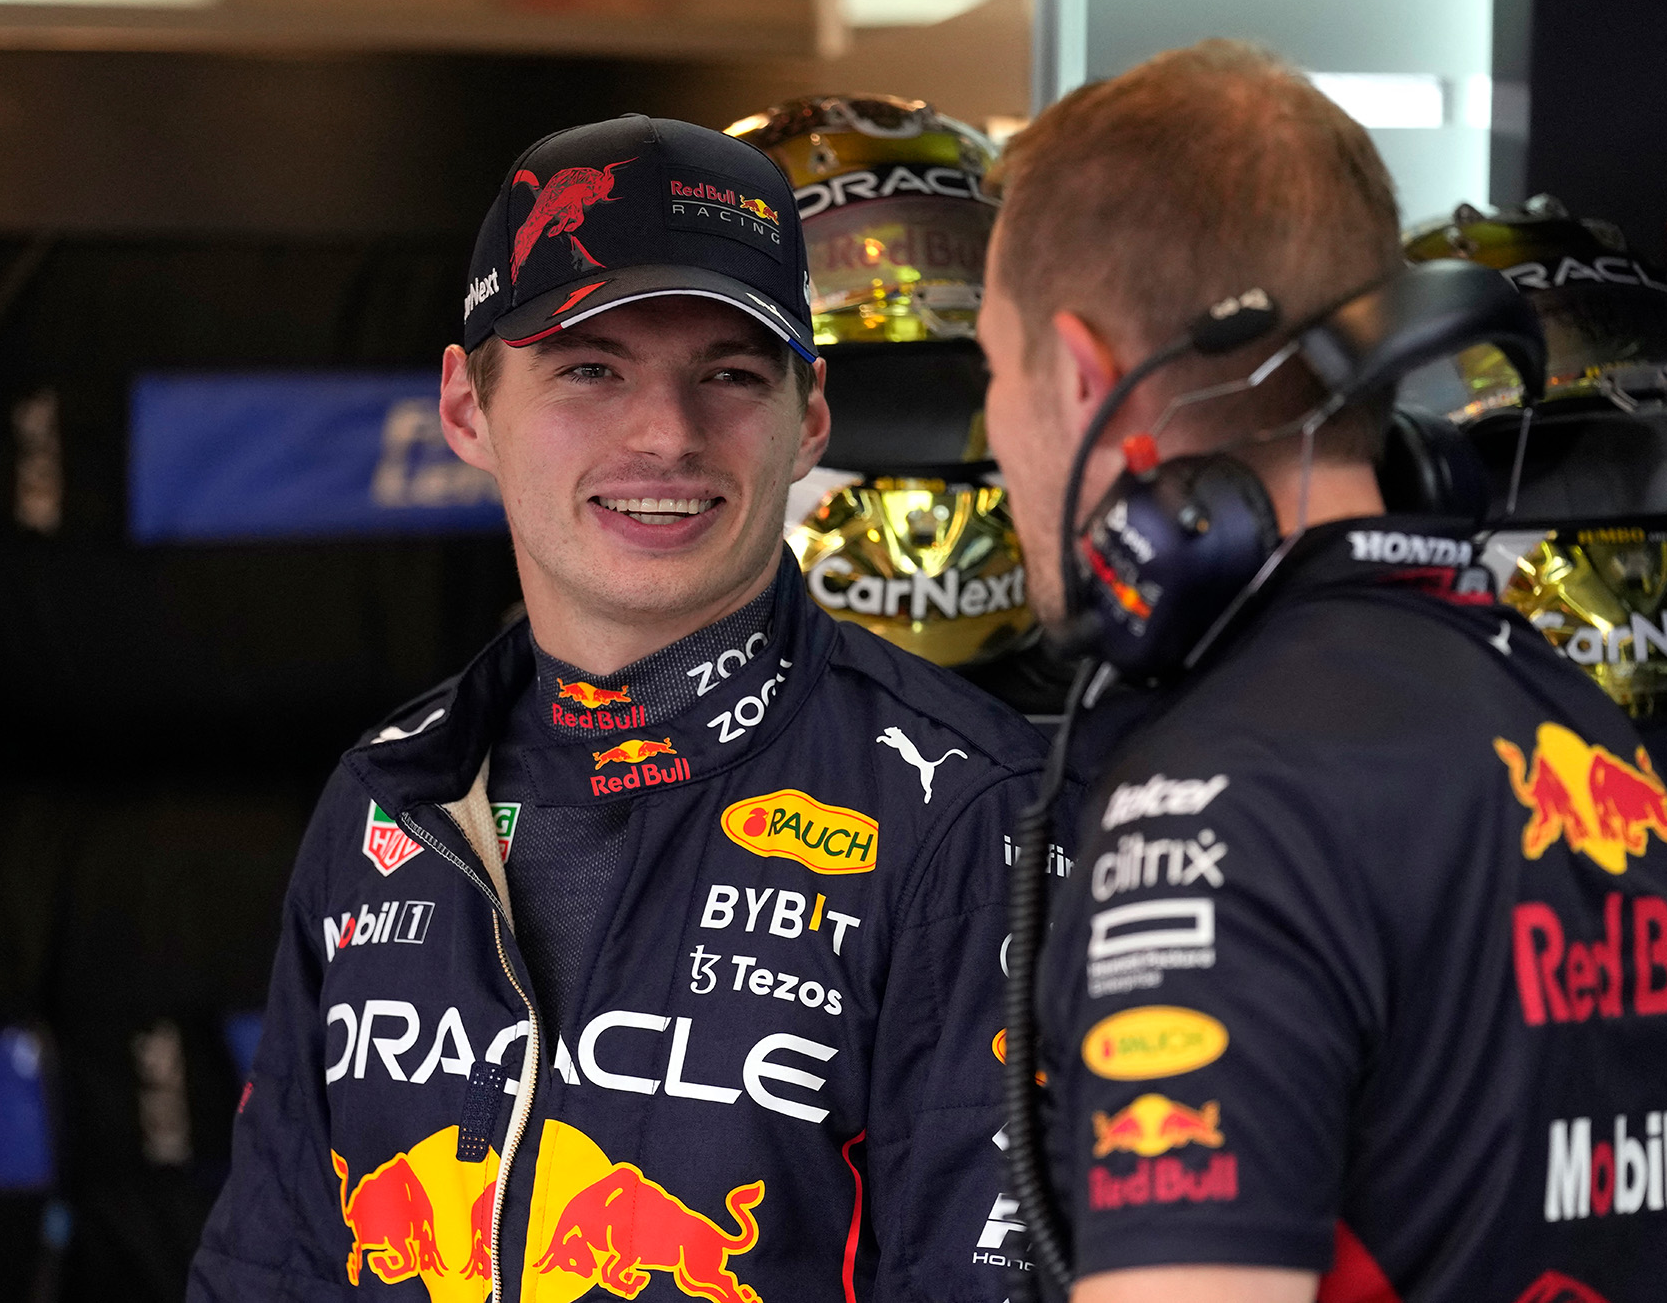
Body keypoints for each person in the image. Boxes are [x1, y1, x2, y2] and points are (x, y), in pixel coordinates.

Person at [190, 114, 1063, 1303]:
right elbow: (265, 1270)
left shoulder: (968, 811)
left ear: (809, 415)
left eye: (730, 373)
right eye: (589, 368)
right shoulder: (384, 798)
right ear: (465, 407)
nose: (666, 434)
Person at [979, 43, 1667, 1303]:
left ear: (1073, 372)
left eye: (991, 374)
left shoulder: (1211, 807)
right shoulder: (1581, 739)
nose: (996, 437)